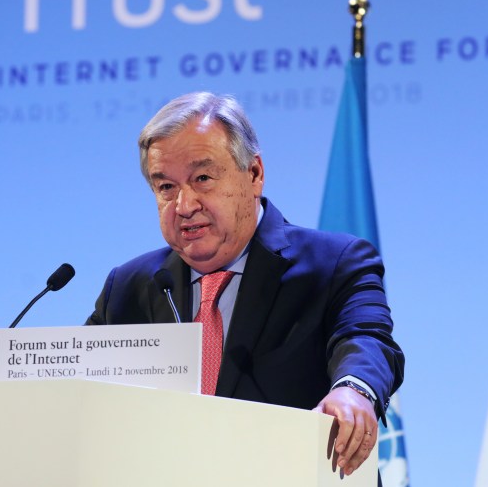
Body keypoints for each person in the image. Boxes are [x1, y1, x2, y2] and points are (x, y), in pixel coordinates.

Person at [86, 91, 404, 476]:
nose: (184, 206)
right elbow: (82, 392)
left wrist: (353, 391)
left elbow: (367, 338)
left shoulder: (335, 263)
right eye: (166, 187)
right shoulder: (130, 287)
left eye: (202, 178)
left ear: (254, 174)